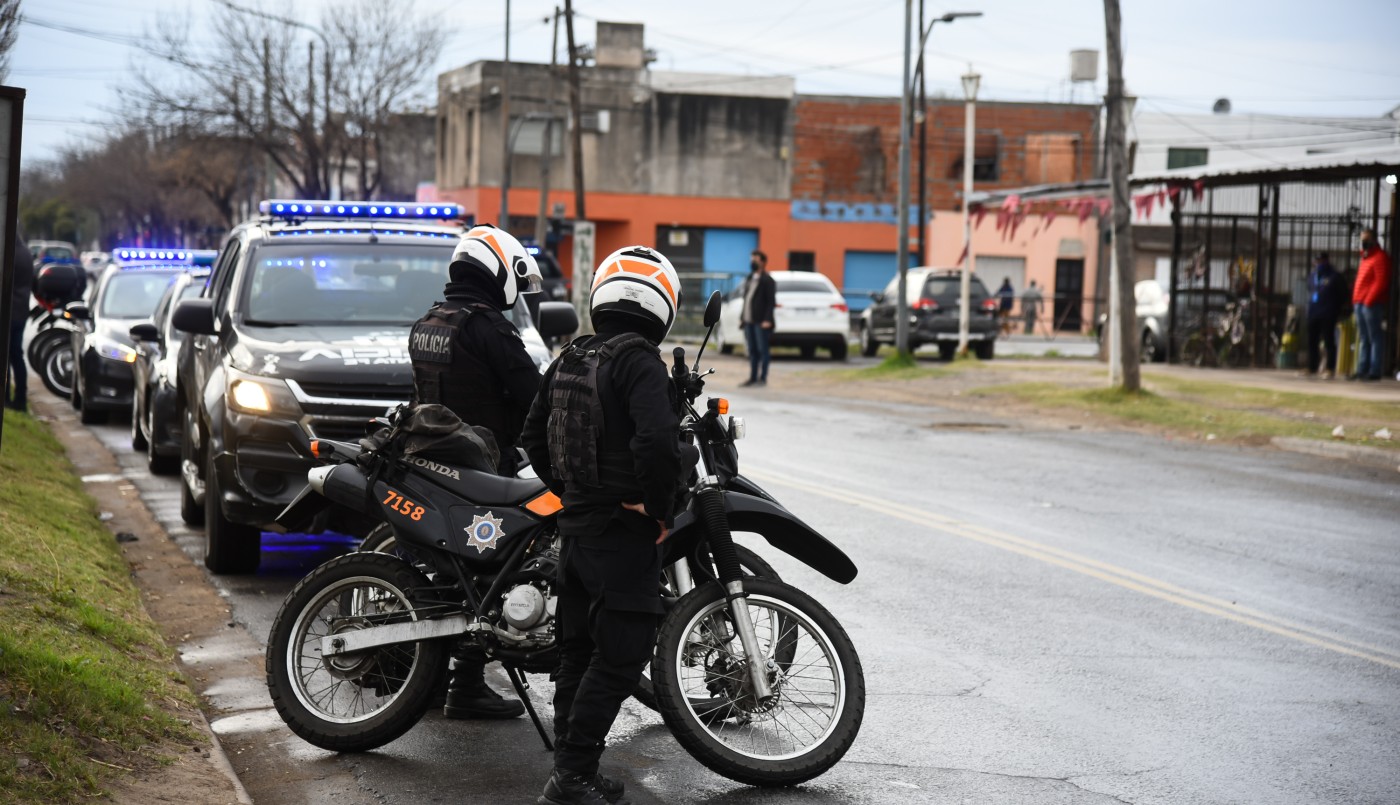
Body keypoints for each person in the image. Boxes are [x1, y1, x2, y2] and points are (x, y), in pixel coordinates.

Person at [521, 245, 684, 805]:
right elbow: (658, 441)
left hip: (577, 531)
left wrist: (570, 491)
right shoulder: (639, 361)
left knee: (579, 653)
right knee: (620, 655)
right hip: (620, 534)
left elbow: (533, 438)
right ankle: (570, 778)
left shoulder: (570, 356)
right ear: (662, 303)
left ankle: (576, 768)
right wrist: (657, 508)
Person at [407, 223, 544, 721]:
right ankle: (465, 685)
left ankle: (435, 676)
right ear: (497, 270)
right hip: (483, 467)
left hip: (436, 463)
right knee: (494, 576)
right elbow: (535, 395)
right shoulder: (488, 327)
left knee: (456, 575)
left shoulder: (430, 320)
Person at [1350, 228, 1391, 382]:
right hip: (1360, 303)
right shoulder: (1366, 258)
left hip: (1371, 304)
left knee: (1374, 337)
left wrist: (1368, 300)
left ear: (1373, 239)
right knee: (1364, 338)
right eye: (1362, 239)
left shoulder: (1380, 257)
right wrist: (1357, 300)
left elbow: (1381, 281)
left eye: (1366, 239)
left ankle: (1374, 370)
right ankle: (1362, 369)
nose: (1363, 242)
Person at [1304, 252, 1345, 379]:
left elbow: (1342, 294)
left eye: (1321, 260)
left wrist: (1336, 309)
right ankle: (1312, 367)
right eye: (1317, 260)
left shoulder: (1334, 276)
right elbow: (1310, 291)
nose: (1318, 263)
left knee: (1329, 341)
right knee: (1312, 341)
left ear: (1326, 261)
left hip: (1328, 313)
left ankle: (1329, 368)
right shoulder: (1312, 275)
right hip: (1314, 312)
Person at [6, 232, 35, 413]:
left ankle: (7, 398)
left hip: (8, 311)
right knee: (16, 355)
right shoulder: (26, 253)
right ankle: (21, 398)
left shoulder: (9, 253)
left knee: (5, 356)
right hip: (21, 311)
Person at [739, 249, 775, 387]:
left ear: (763, 262)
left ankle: (763, 378)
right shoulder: (749, 278)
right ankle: (752, 377)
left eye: (756, 259)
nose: (752, 261)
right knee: (752, 351)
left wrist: (767, 320)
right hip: (749, 320)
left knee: (763, 350)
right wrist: (742, 317)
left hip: (761, 322)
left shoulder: (767, 280)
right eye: (751, 259)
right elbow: (746, 299)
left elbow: (770, 302)